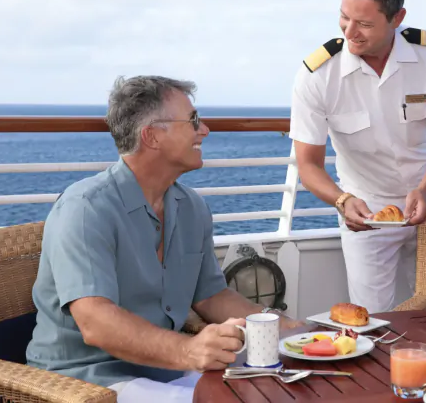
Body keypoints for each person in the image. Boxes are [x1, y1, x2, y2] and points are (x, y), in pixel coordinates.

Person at [26, 76, 304, 402]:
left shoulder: (191, 207)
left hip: (164, 370)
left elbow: (211, 296)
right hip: (85, 381)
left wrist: (284, 326)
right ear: (152, 136)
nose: (205, 130)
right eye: (193, 121)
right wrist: (189, 350)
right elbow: (96, 322)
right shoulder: (85, 209)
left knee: (275, 392)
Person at [289, 0, 426, 313]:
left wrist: (425, 189)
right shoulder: (317, 74)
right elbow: (308, 165)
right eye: (344, 17)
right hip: (364, 211)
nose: (350, 32)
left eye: (365, 24)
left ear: (397, 18)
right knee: (370, 319)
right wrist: (342, 201)